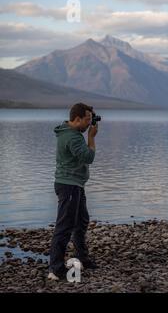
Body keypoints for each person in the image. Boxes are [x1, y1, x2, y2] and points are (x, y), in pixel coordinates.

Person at [48, 103, 99, 281]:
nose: (89, 124)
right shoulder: (73, 137)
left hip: (74, 184)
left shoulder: (68, 132)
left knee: (81, 221)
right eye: (87, 120)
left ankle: (82, 258)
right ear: (77, 119)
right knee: (65, 226)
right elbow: (89, 157)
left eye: (90, 120)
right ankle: (56, 269)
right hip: (68, 185)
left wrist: (89, 128)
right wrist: (92, 138)